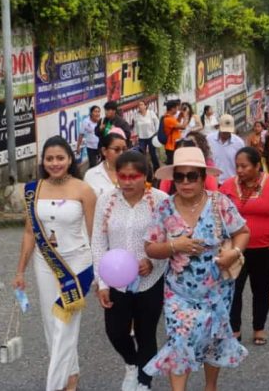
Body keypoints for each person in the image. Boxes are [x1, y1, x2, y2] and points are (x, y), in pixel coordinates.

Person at [143, 147, 249, 391]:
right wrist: (174, 245)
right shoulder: (164, 208)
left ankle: (210, 386)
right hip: (178, 292)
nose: (186, 182)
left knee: (215, 339)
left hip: (217, 290)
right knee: (178, 341)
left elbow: (243, 232)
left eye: (192, 176)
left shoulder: (219, 202)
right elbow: (150, 247)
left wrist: (233, 253)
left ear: (203, 178)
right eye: (179, 177)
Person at [13, 136, 98, 391]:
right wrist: (20, 271)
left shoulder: (83, 190)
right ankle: (70, 376)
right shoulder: (33, 190)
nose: (55, 163)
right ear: (43, 161)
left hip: (77, 265)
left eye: (60, 158)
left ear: (70, 159)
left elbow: (96, 234)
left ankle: (59, 383)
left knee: (66, 324)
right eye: (49, 158)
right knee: (51, 324)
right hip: (44, 264)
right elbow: (30, 233)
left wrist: (100, 274)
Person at [91, 150, 169, 391]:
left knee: (146, 333)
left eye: (133, 176)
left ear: (144, 176)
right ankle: (132, 365)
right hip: (116, 281)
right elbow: (98, 241)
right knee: (115, 331)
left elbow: (170, 240)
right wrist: (102, 284)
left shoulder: (161, 200)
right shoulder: (106, 200)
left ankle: (144, 382)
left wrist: (153, 262)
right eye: (122, 176)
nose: (127, 182)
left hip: (149, 279)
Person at [218, 147, 269, 347]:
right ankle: (234, 329)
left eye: (244, 166)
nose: (240, 170)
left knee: (260, 290)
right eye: (237, 167)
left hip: (266, 248)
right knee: (233, 290)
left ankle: (259, 328)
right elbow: (216, 213)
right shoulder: (227, 186)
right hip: (236, 251)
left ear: (256, 166)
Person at [84, 133, 128, 199]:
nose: (121, 153)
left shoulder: (134, 172)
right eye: (116, 150)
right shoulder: (91, 175)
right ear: (104, 151)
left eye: (124, 149)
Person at [207, 114, 245, 185]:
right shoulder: (209, 139)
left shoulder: (239, 143)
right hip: (213, 183)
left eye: (228, 130)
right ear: (219, 127)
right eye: (224, 130)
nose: (226, 132)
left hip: (232, 183)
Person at [133, 100, 161, 174]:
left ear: (145, 106)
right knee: (142, 155)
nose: (140, 106)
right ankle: (145, 171)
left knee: (153, 154)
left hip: (151, 136)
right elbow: (135, 127)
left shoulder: (151, 113)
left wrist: (156, 132)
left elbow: (157, 122)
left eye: (142, 104)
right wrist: (135, 136)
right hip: (141, 138)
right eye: (139, 105)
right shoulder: (136, 116)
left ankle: (157, 169)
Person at [161, 100, 184, 165]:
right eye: (177, 108)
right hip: (171, 146)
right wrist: (186, 116)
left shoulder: (169, 117)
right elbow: (183, 127)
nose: (177, 110)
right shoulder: (169, 119)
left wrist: (180, 116)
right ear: (172, 108)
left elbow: (176, 125)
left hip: (173, 145)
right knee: (173, 165)